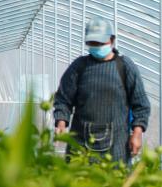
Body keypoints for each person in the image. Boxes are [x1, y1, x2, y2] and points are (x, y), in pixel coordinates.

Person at [52, 17, 151, 164]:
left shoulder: (124, 67)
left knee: (115, 183)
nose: (96, 46)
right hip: (80, 143)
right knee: (78, 183)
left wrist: (137, 133)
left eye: (100, 42)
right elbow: (63, 99)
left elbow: (141, 104)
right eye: (92, 43)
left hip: (117, 145)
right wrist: (61, 122)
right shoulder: (79, 67)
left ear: (112, 40)